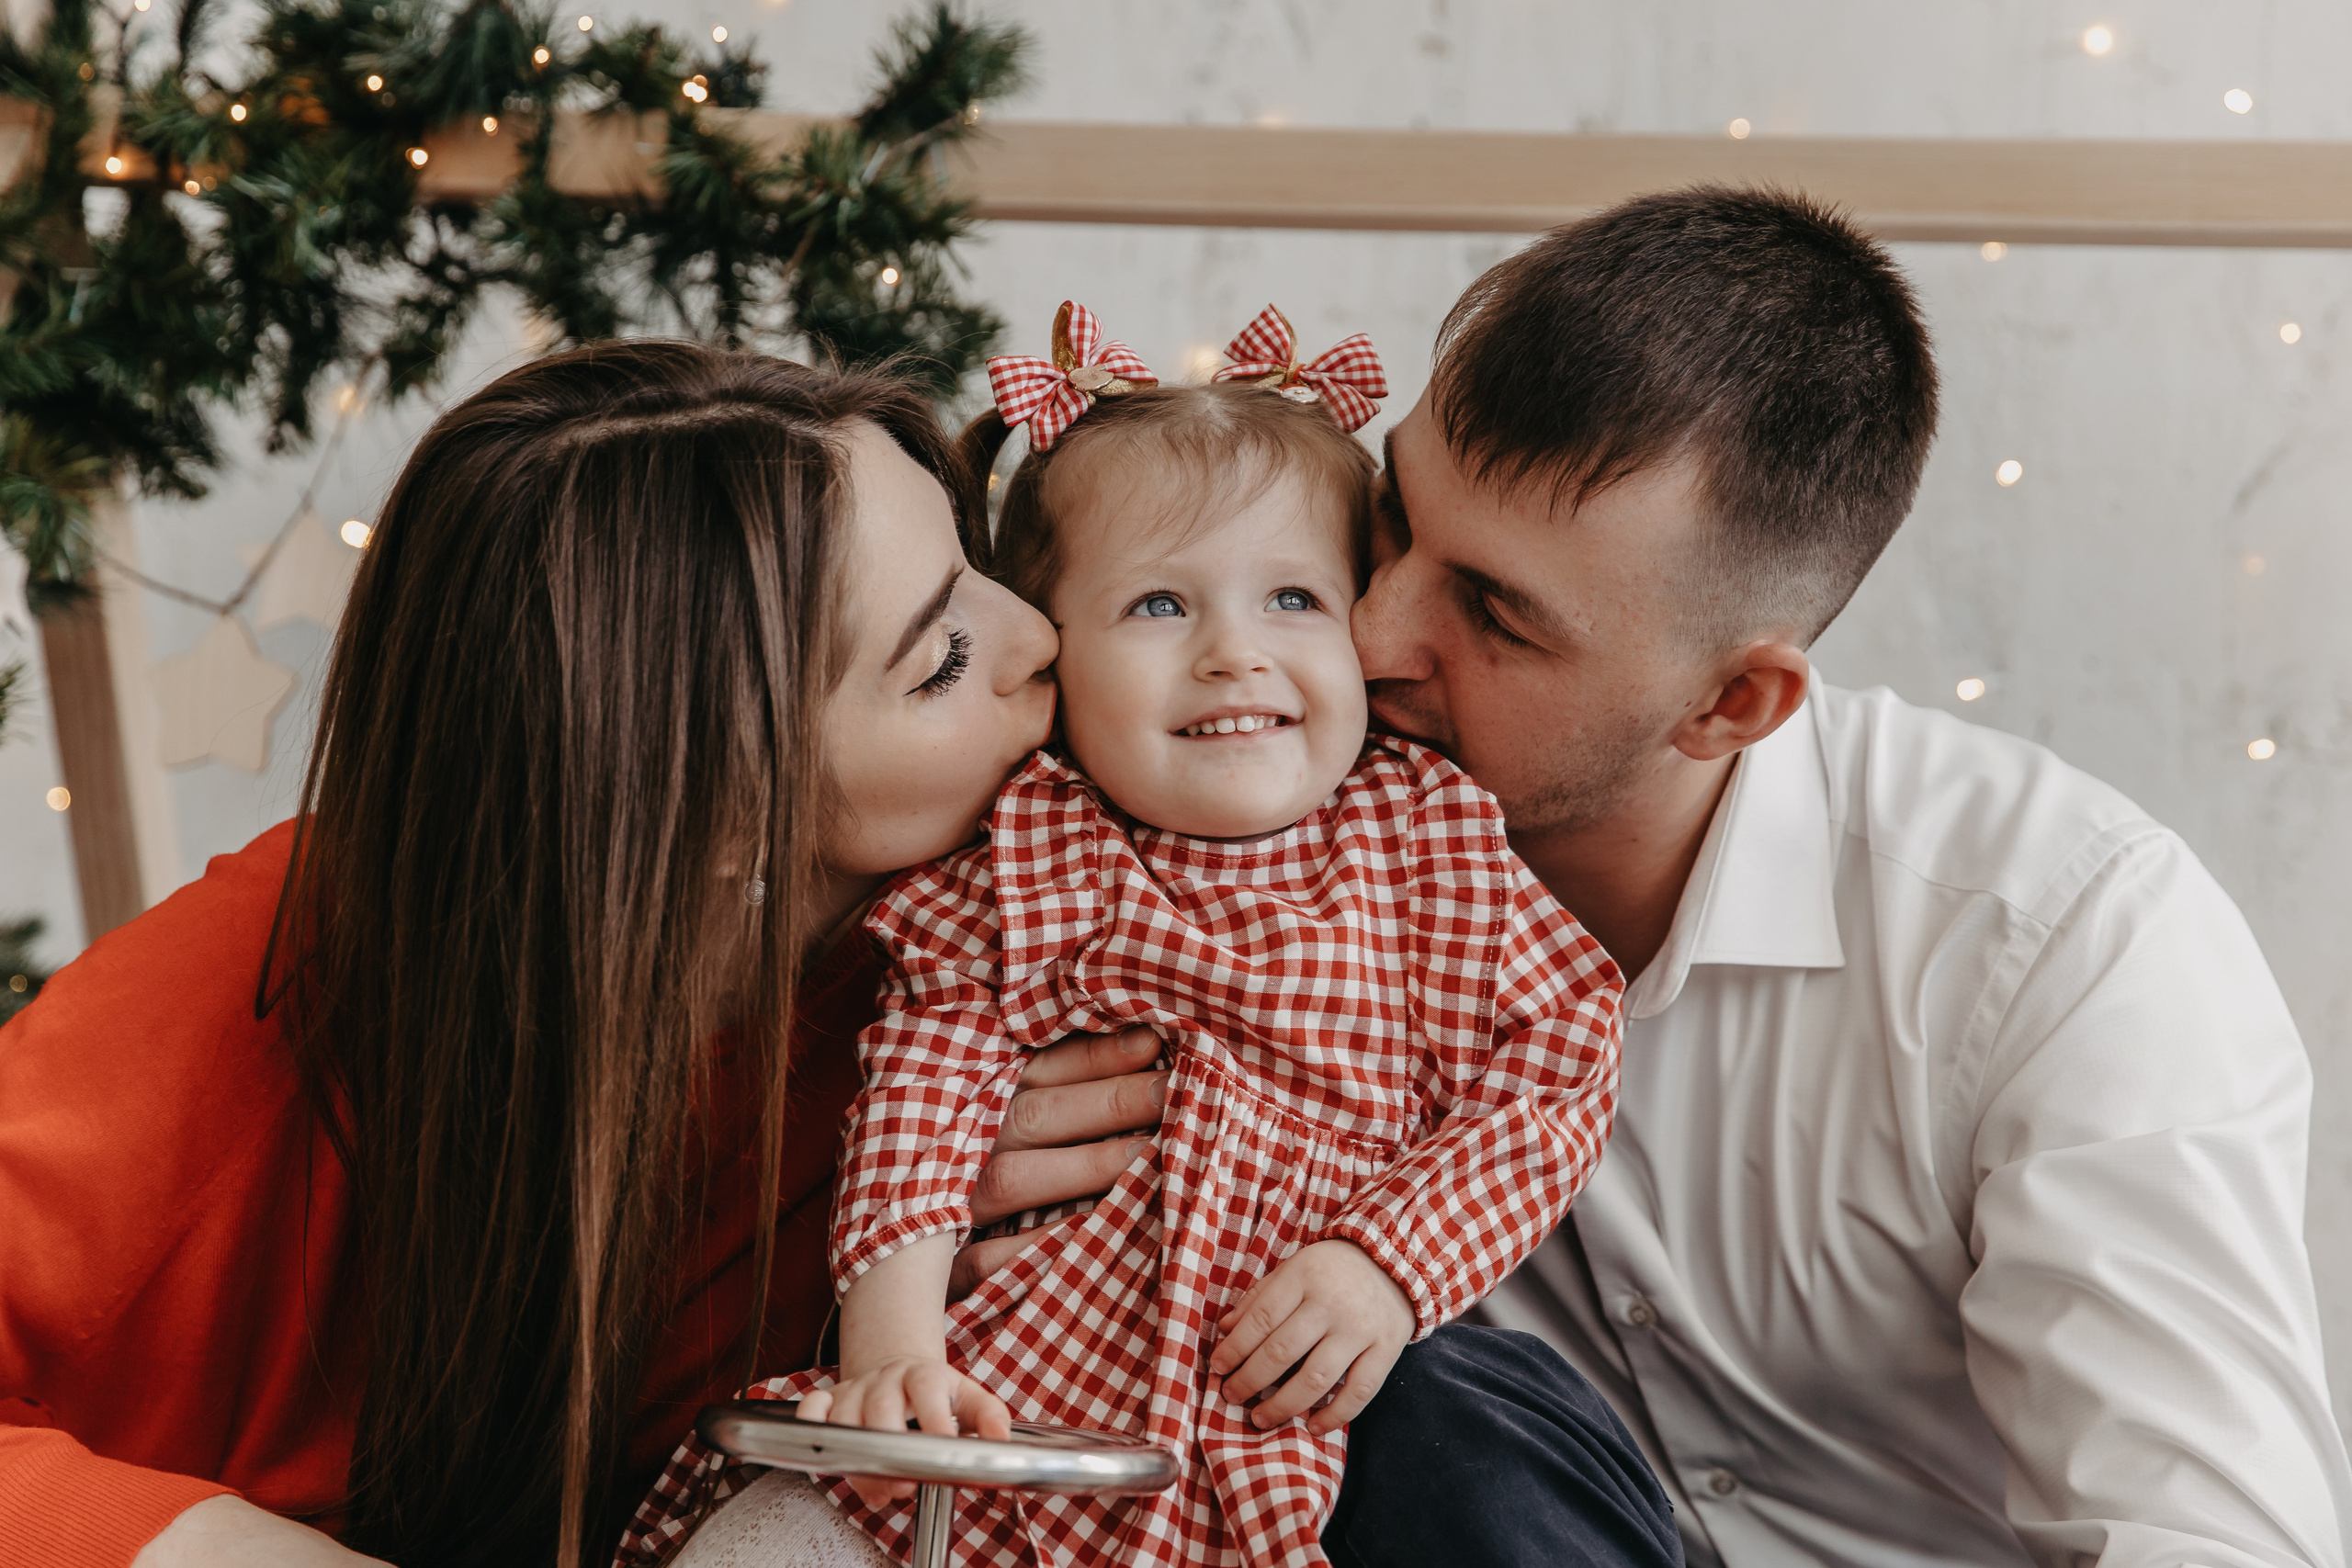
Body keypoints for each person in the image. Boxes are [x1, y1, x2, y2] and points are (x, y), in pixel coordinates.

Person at [0, 340, 1677, 1568]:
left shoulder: (1075, 915)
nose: (1046, 641)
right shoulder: (282, 974)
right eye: (942, 654)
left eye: (982, 570)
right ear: (717, 815)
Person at [1352, 186, 2352, 1565]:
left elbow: (2206, 1546)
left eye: (1495, 613)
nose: (1366, 631)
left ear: (1734, 703)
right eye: (1391, 517)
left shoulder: (2068, 940)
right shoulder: (1236, 834)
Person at [623, 304, 1624, 1568]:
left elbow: (1559, 1066)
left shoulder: (1427, 838)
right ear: (1052, 653)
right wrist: (892, 1346)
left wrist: (1389, 1264)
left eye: (1295, 598)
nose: (1234, 656)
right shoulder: (1033, 847)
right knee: (786, 1535)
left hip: (1252, 1411)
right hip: (1009, 1378)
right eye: (1159, 605)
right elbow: (925, 1089)